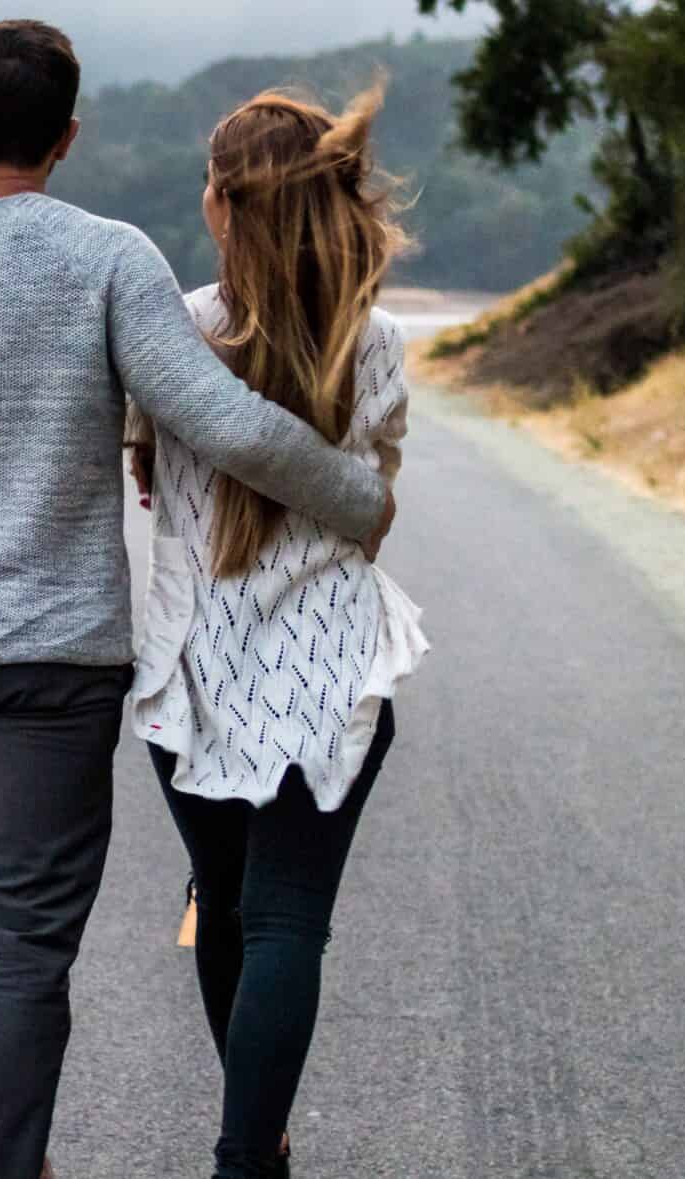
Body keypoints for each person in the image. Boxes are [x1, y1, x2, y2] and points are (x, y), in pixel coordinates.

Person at [0, 21, 396, 1179]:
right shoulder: (105, 259)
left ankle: (0, 1157)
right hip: (47, 668)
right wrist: (357, 498)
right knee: (16, 941)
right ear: (66, 139)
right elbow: (227, 423)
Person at [125, 83, 429, 1179]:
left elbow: (146, 476)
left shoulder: (172, 333)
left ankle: (258, 1147)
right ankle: (247, 1155)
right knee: (288, 920)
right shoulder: (375, 339)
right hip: (331, 670)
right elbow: (376, 493)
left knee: (225, 907)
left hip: (193, 676)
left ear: (222, 203)